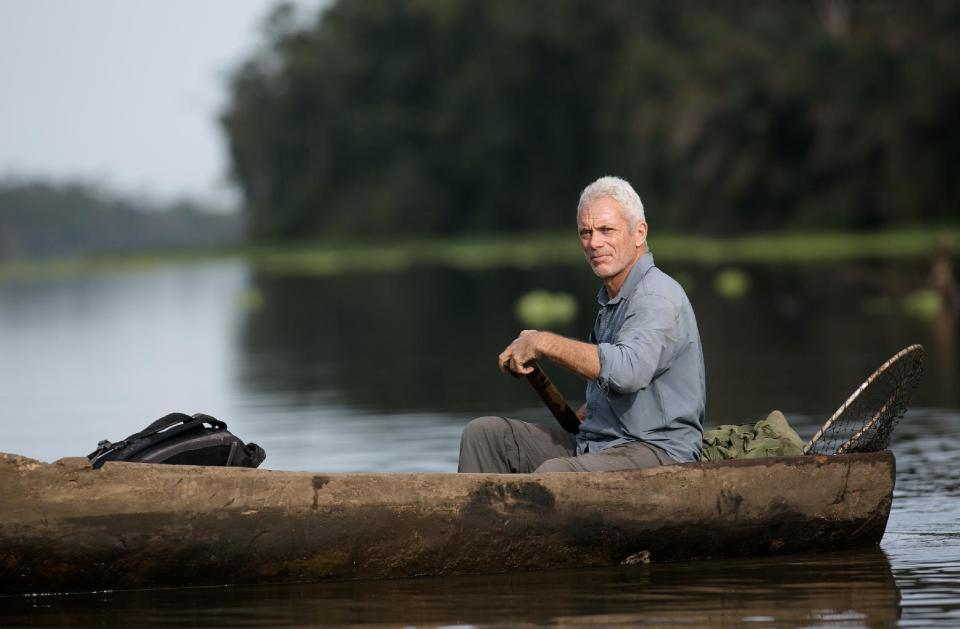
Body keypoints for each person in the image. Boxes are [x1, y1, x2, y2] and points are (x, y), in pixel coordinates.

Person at [458, 176, 705, 473]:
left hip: (658, 452)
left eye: (606, 230)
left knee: (555, 475)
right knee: (484, 436)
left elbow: (628, 372)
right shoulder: (613, 300)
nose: (593, 243)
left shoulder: (656, 295)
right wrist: (593, 411)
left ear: (639, 233)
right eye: (585, 232)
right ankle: (477, 518)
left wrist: (543, 342)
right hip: (600, 444)